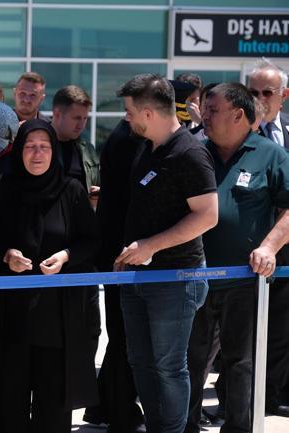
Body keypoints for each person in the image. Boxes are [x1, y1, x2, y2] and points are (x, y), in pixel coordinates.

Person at [0, 119, 99, 432]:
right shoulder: (3, 187)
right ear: (19, 150)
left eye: (44, 147)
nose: (37, 153)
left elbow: (90, 240)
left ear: (53, 150)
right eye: (30, 146)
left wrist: (65, 256)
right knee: (10, 404)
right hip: (10, 317)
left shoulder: (71, 189)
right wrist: (6, 254)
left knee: (53, 409)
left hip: (57, 319)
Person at [114, 74, 218, 433]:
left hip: (174, 280)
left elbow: (208, 215)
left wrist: (150, 246)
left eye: (129, 111)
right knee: (140, 362)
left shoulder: (189, 152)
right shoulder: (150, 148)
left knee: (169, 366)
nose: (126, 118)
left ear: (147, 112)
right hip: (138, 278)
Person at [185, 82, 289, 433]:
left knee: (240, 363)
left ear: (238, 115)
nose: (205, 117)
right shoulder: (195, 151)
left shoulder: (270, 154)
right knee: (191, 359)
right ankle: (187, 425)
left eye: (212, 110)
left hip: (244, 280)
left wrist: (269, 247)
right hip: (192, 277)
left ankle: (238, 428)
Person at [85, 118, 146, 433]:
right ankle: (120, 413)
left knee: (122, 336)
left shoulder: (124, 135)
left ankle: (103, 405)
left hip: (118, 251)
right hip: (125, 254)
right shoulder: (130, 139)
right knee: (125, 337)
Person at [248, 58, 289, 418]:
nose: (259, 99)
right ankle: (238, 399)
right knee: (242, 332)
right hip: (251, 246)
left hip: (286, 248)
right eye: (252, 92)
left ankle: (271, 396)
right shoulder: (238, 132)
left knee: (280, 327)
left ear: (284, 96)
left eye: (267, 92)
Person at [50, 85, 100, 209]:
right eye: (77, 118)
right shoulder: (38, 146)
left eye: (85, 119)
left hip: (82, 222)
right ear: (57, 114)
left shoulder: (87, 149)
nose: (81, 125)